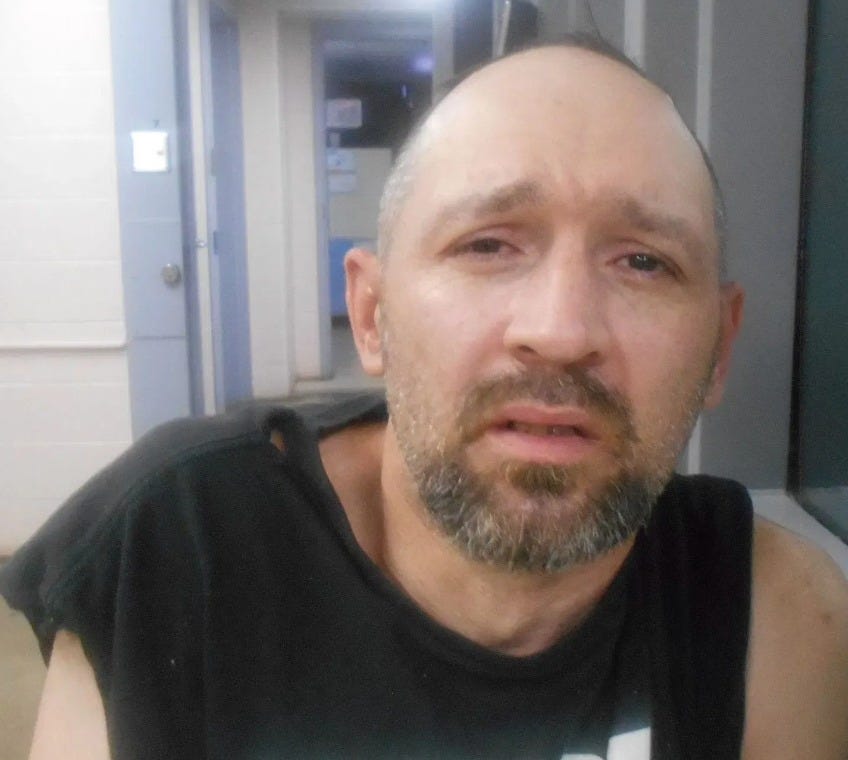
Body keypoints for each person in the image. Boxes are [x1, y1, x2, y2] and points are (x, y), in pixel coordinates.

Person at [3, 36, 848, 760]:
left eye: (643, 262)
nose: (561, 331)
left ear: (719, 348)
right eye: (488, 245)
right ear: (372, 315)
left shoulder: (773, 617)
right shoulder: (175, 549)